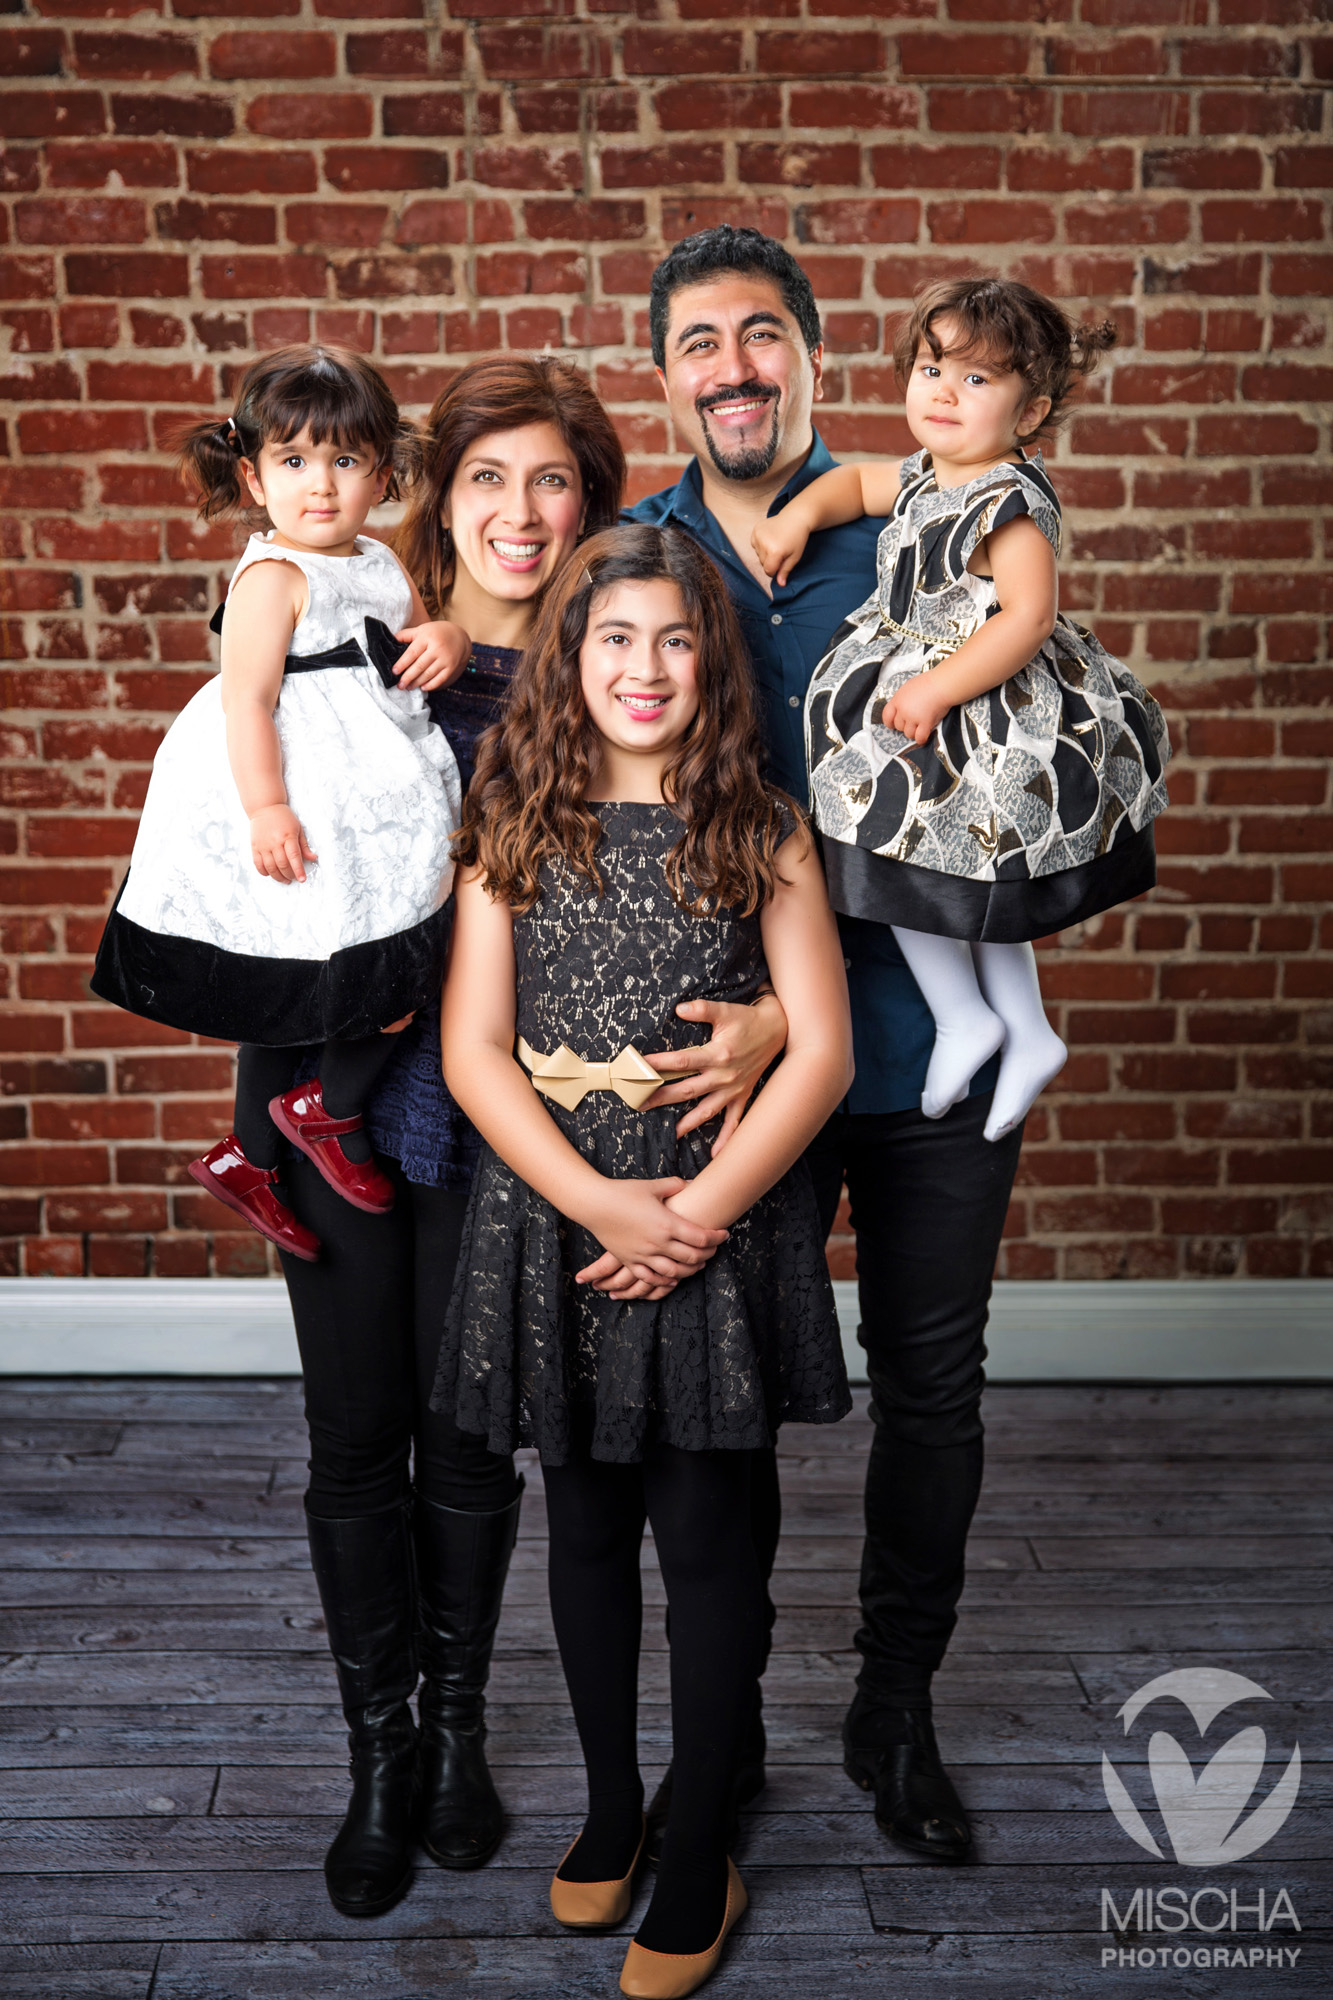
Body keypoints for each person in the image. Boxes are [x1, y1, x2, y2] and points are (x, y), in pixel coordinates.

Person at [249, 356, 788, 1924]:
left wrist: (758, 1026)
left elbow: (745, 878)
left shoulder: (628, 666)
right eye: (486, 478)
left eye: (554, 480)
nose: (520, 511)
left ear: (597, 506)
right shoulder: (348, 628)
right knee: (359, 1435)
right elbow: (248, 827)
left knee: (481, 1441)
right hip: (353, 1089)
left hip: (523, 1132)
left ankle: (473, 1739)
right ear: (437, 495)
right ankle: (383, 1760)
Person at [625, 225, 1040, 1864]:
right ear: (662, 380)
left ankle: (894, 1710)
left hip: (930, 1049)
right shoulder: (631, 559)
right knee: (717, 1410)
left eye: (757, 335)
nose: (729, 366)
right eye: (695, 344)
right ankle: (714, 1746)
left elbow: (1020, 754)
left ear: (808, 353)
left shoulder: (930, 525)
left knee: (933, 1394)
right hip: (731, 1060)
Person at [433, 522, 852, 1997]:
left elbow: (818, 1049)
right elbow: (477, 1056)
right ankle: (611, 1804)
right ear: (569, 656)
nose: (646, 667)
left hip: (713, 1227)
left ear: (712, 662)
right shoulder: (516, 817)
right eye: (615, 639)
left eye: (677, 640)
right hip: (557, 1217)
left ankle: (697, 1844)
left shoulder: (761, 825)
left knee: (708, 1536)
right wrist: (599, 1209)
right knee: (588, 1524)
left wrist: (695, 1216)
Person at [754, 277, 1171, 1143]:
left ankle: (985, 1021)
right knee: (939, 867)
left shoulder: (1006, 502)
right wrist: (797, 515)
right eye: (931, 367)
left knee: (944, 861)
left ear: (1030, 413)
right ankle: (998, 1025)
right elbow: (861, 484)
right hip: (928, 698)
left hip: (983, 708)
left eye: (977, 380)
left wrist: (938, 688)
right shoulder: (930, 474)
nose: (943, 391)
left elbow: (1027, 616)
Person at [91, 342, 466, 1260]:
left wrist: (446, 637)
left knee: (403, 960)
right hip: (300, 796)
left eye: (344, 461)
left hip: (377, 801)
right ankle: (300, 1124)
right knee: (296, 975)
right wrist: (265, 807)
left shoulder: (377, 559)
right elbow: (246, 699)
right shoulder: (271, 579)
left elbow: (408, 640)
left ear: (382, 472)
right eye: (295, 462)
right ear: (254, 478)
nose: (321, 485)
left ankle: (273, 1136)